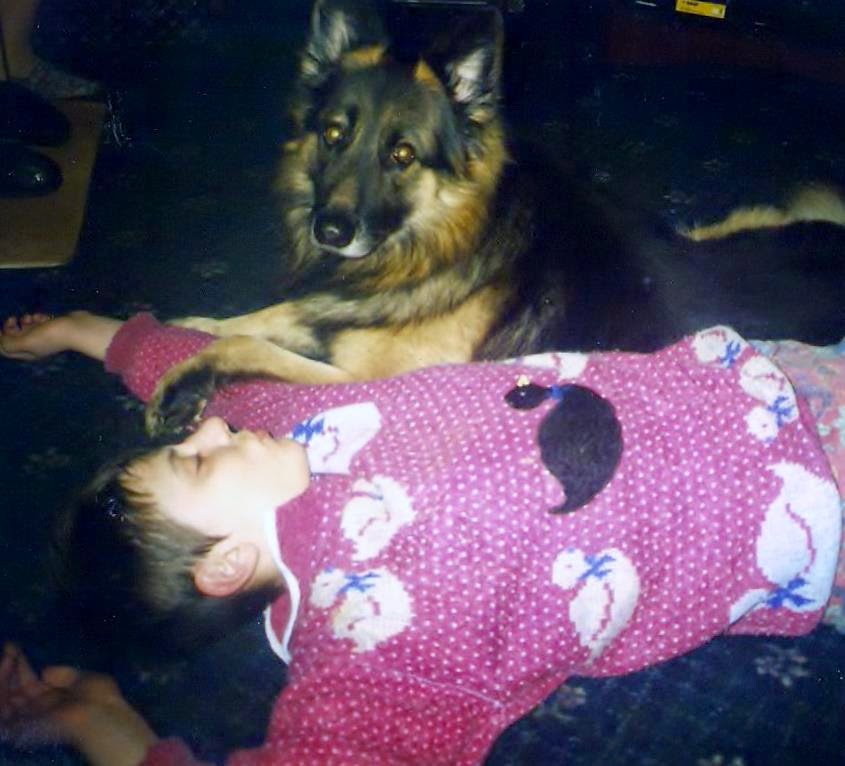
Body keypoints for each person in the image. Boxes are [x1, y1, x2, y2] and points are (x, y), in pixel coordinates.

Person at [0, 309, 844, 766]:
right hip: (801, 499)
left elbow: (203, 375)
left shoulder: (287, 429)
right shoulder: (368, 642)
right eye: (195, 461)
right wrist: (103, 727)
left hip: (756, 379)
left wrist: (85, 332)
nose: (212, 432)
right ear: (225, 564)